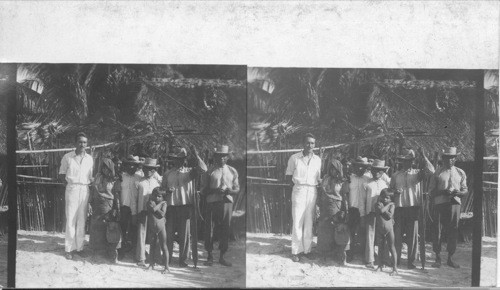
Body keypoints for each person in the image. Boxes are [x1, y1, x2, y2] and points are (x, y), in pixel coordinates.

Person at [162, 145, 207, 267]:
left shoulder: (190, 172)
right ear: (173, 160)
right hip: (171, 207)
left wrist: (196, 155)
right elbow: (162, 190)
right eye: (176, 159)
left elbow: (203, 169)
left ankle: (183, 260)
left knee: (185, 235)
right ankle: (168, 257)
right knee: (169, 234)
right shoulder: (167, 174)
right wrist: (167, 191)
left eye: (181, 159)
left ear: (184, 160)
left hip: (185, 207)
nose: (178, 161)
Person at [390, 148, 434, 269]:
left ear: (412, 161)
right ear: (401, 161)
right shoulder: (395, 175)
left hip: (413, 208)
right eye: (404, 160)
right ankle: (396, 259)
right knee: (397, 235)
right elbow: (389, 191)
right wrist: (395, 192)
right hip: (399, 209)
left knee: (413, 236)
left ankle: (411, 261)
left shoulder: (418, 173)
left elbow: (431, 171)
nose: (406, 163)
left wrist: (424, 156)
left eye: (409, 160)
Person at [285, 133, 322, 262]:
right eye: (307, 143)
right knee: (297, 221)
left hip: (312, 190)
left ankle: (307, 250)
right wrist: (296, 190)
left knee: (309, 222)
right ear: (303, 144)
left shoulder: (318, 160)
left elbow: (319, 178)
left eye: (312, 143)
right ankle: (296, 251)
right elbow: (289, 176)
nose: (310, 145)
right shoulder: (294, 158)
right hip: (299, 189)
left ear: (314, 145)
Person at [429, 146, 467, 269]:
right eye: (446, 158)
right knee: (437, 229)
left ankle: (450, 258)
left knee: (453, 230)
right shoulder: (438, 172)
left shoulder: (460, 172)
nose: (449, 160)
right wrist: (442, 192)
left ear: (455, 159)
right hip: (440, 204)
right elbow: (431, 192)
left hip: (455, 204)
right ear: (443, 159)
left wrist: (458, 193)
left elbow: (465, 190)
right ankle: (438, 257)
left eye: (452, 158)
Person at [203, 145, 240, 267]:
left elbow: (237, 189)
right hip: (212, 202)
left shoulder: (232, 171)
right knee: (210, 229)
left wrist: (229, 191)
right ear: (215, 157)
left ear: (227, 157)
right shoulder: (210, 171)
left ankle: (222, 257)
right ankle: (209, 256)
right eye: (218, 156)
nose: (221, 159)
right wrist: (215, 190)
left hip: (226, 203)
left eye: (224, 156)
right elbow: (203, 190)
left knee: (225, 228)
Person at [59, 132, 94, 260]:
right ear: (75, 143)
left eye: (84, 142)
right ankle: (69, 249)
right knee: (71, 219)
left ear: (87, 144)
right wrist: (70, 186)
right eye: (80, 142)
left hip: (85, 189)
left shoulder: (90, 159)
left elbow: (90, 176)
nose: (82, 144)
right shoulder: (67, 157)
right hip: (72, 188)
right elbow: (62, 175)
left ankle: (79, 248)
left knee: (82, 220)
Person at [316, 159, 349, 265]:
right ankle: (324, 253)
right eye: (331, 169)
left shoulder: (342, 181)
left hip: (336, 207)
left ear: (339, 170)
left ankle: (338, 255)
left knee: (336, 229)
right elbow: (321, 192)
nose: (332, 171)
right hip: (324, 206)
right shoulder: (325, 178)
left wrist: (345, 211)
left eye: (335, 169)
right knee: (324, 229)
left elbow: (345, 197)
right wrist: (318, 205)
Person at [89, 158, 121, 263]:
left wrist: (116, 209)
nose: (105, 170)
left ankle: (110, 253)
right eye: (103, 167)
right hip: (96, 205)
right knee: (96, 228)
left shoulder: (114, 180)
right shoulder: (98, 177)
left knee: (107, 229)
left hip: (108, 206)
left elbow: (116, 196)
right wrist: (90, 203)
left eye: (107, 168)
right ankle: (97, 252)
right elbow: (93, 190)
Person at [364, 159, 390, 268]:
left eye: (380, 171)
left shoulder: (385, 184)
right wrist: (363, 212)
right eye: (375, 170)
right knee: (370, 235)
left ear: (383, 172)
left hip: (381, 213)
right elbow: (363, 200)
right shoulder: (367, 183)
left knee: (382, 236)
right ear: (372, 170)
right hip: (370, 212)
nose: (377, 173)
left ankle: (382, 259)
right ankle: (369, 259)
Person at [344, 156, 371, 261]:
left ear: (365, 168)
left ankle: (363, 253)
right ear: (354, 167)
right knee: (351, 231)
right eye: (358, 167)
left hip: (364, 210)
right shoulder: (350, 178)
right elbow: (345, 193)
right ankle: (350, 253)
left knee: (363, 231)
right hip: (352, 209)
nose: (360, 169)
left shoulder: (368, 179)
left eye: (362, 167)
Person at [136, 158, 161, 267]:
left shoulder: (156, 183)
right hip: (142, 210)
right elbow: (136, 198)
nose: (148, 171)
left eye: (151, 169)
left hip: (153, 212)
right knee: (141, 234)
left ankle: (154, 257)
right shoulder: (139, 182)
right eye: (146, 168)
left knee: (154, 234)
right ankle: (141, 258)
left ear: (155, 170)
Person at [117, 155, 143, 259]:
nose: (131, 167)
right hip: (124, 206)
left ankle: (134, 251)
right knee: (122, 229)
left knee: (134, 229)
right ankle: (121, 251)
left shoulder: (140, 178)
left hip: (135, 207)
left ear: (137, 167)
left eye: (133, 165)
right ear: (126, 166)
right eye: (129, 165)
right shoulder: (121, 177)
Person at [374, 188, 398, 276]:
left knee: (392, 248)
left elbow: (389, 216)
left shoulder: (392, 206)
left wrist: (387, 207)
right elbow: (380, 211)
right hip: (380, 229)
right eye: (383, 197)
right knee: (380, 248)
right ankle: (380, 265)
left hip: (389, 230)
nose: (385, 199)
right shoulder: (378, 204)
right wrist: (389, 205)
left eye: (387, 198)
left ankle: (395, 268)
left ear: (391, 198)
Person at [146, 187, 170, 274]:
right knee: (152, 246)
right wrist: (160, 204)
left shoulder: (164, 204)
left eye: (159, 196)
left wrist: (157, 207)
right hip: (152, 228)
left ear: (162, 197)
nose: (157, 198)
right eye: (155, 196)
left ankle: (166, 267)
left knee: (164, 247)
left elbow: (162, 214)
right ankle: (151, 264)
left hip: (161, 228)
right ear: (152, 195)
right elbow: (152, 209)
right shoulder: (150, 202)